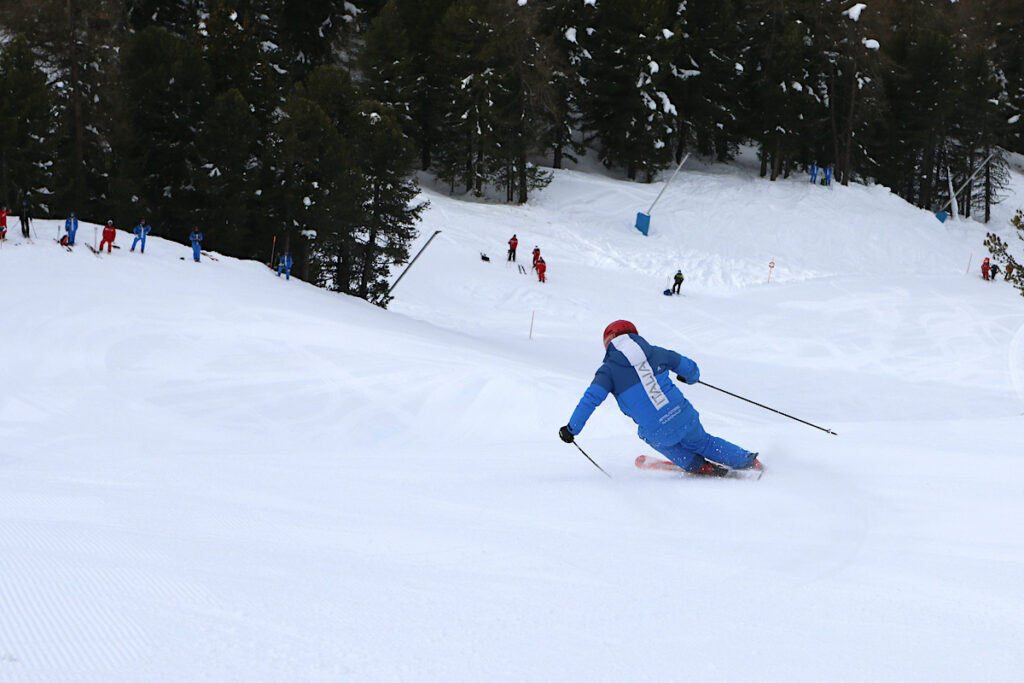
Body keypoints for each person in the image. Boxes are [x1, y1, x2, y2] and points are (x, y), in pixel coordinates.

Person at [558, 320, 760, 476]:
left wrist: (571, 429)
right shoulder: (656, 352)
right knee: (704, 442)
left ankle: (697, 465)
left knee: (655, 436)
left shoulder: (607, 372)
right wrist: (690, 378)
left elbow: (590, 400)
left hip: (656, 430)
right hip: (683, 414)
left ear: (608, 343)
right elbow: (690, 368)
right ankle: (748, 460)